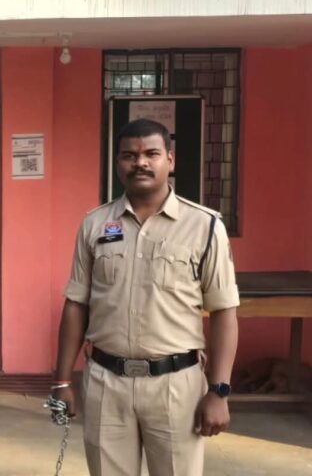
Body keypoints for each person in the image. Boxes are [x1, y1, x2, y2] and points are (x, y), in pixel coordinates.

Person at [52, 118, 239, 476]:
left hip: (176, 386)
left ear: (170, 159)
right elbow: (76, 304)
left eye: (151, 154)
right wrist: (61, 381)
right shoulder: (94, 224)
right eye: (129, 156)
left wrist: (219, 391)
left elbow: (224, 312)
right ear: (117, 162)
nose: (140, 162)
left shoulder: (205, 226)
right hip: (106, 382)